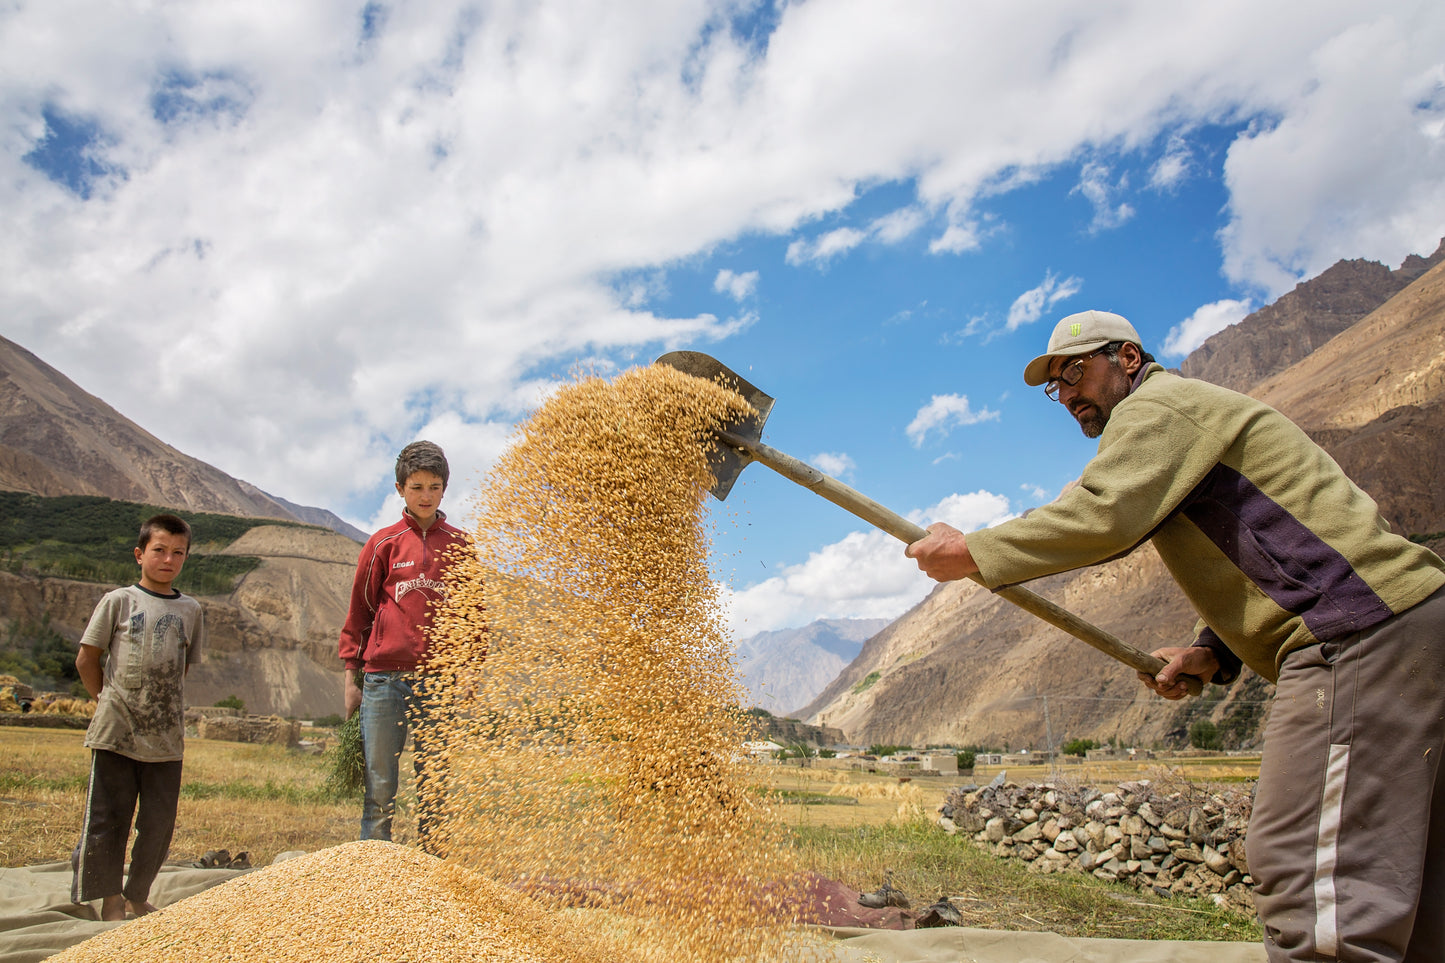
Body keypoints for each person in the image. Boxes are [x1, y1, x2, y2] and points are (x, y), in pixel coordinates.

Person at [906, 309, 1445, 962]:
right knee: (1407, 877)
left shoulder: (1157, 407)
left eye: (1074, 370)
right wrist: (1213, 650)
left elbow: (1104, 514)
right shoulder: (1179, 421)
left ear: (1127, 358)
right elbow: (1272, 553)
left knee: (1307, 866)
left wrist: (974, 551)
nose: (1068, 393)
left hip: (1356, 640)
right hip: (1400, 626)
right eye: (1055, 385)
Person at [72, 513, 206, 922]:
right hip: (117, 731)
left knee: (158, 824)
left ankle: (136, 895)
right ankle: (109, 900)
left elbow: (182, 667)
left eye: (177, 552)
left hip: (166, 738)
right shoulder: (119, 601)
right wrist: (105, 700)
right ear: (139, 554)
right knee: (108, 819)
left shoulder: (191, 610)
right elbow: (87, 658)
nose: (168, 559)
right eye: (159, 550)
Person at [339, 440, 470, 846]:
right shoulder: (383, 544)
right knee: (379, 787)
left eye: (434, 486)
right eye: (417, 487)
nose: (426, 495)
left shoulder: (462, 546)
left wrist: (468, 672)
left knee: (436, 785)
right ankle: (374, 877)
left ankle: (434, 879)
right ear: (400, 489)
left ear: (444, 489)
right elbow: (359, 614)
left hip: (440, 681)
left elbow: (473, 618)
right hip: (383, 680)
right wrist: (351, 677)